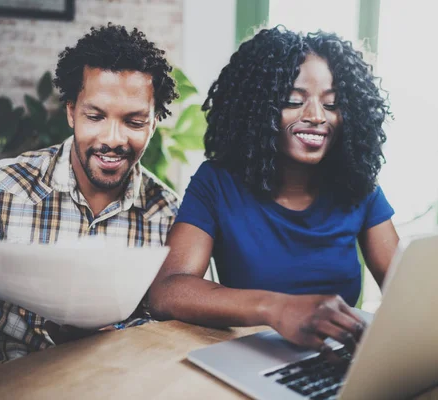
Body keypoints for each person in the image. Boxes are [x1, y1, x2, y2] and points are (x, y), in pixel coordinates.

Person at [0, 23, 180, 374]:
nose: (113, 139)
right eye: (95, 116)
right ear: (71, 112)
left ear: (154, 123)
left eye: (134, 121)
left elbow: (174, 341)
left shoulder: (170, 215)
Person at [149, 26, 399, 356]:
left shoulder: (358, 186)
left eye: (332, 103)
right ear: (256, 108)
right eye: (292, 101)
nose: (315, 116)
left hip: (334, 362)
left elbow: (406, 290)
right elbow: (168, 290)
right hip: (249, 357)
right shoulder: (218, 183)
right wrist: (276, 308)